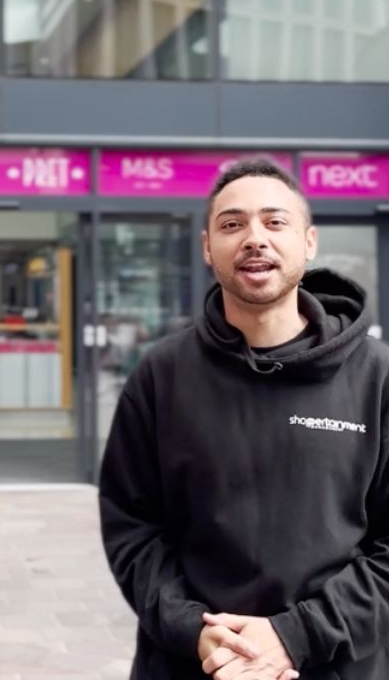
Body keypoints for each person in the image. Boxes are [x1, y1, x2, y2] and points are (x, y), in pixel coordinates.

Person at [98, 158, 389, 680]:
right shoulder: (161, 375)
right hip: (193, 665)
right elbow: (133, 528)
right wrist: (197, 631)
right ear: (209, 248)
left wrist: (295, 636)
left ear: (309, 242)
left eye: (275, 222)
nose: (255, 238)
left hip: (337, 665)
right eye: (232, 224)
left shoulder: (377, 377)